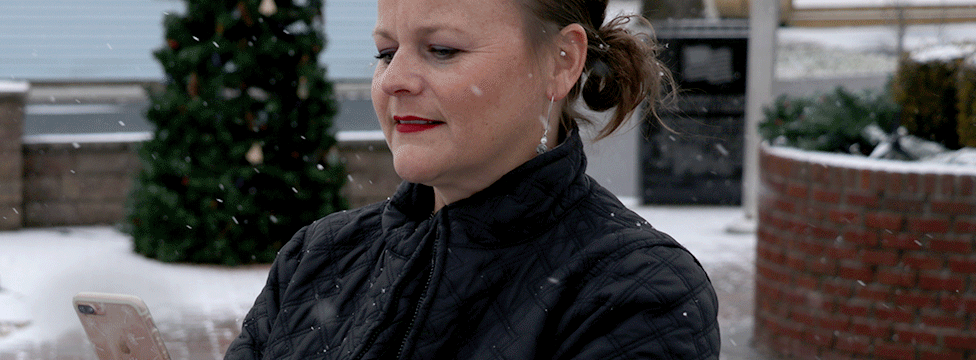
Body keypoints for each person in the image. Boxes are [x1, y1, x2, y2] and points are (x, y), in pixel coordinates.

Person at [223, 0, 721, 358]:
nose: (394, 78)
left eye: (440, 49)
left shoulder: (635, 293)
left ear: (561, 61)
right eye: (386, 51)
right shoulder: (319, 255)